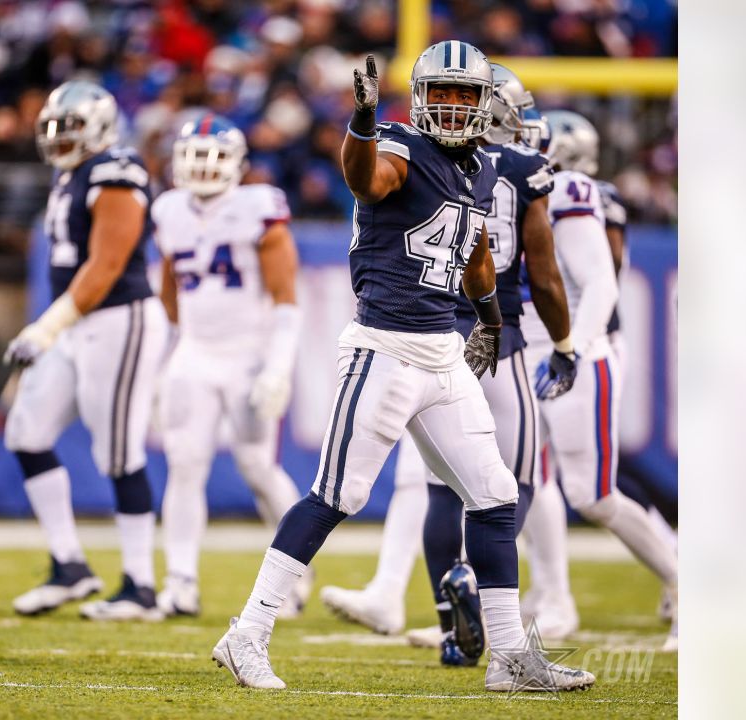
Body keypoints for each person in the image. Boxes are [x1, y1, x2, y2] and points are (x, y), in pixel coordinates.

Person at [211, 44, 594, 693]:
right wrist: (360, 119)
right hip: (384, 347)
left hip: (443, 350)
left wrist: (491, 321)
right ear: (418, 98)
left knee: (497, 496)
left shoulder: (478, 167)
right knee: (339, 495)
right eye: (438, 92)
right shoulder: (396, 145)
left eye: (461, 94)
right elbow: (366, 178)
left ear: (482, 104)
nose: (448, 105)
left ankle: (509, 660)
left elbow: (473, 250)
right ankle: (247, 632)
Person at [318, 65, 577, 666]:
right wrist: (561, 343)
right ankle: (487, 595)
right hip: (492, 334)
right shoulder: (502, 165)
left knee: (437, 488)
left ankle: (451, 629)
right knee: (510, 484)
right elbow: (539, 272)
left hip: (440, 325)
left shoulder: (448, 159)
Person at [4, 81, 169, 621]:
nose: (58, 139)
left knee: (118, 453)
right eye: (51, 128)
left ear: (99, 126)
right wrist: (56, 328)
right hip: (75, 326)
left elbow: (107, 263)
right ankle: (70, 565)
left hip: (119, 320)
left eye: (68, 127)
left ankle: (141, 586)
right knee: (26, 434)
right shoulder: (71, 176)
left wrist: (46, 326)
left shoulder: (115, 169)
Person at [522, 109, 679, 652]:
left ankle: (684, 579)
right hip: (526, 349)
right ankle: (550, 596)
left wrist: (573, 349)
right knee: (520, 479)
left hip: (577, 349)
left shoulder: (570, 191)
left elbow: (601, 285)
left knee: (592, 494)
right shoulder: (492, 178)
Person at [152, 113, 310, 618]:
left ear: (239, 165)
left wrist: (277, 367)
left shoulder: (258, 207)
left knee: (258, 466)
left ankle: (294, 578)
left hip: (248, 355)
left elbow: (287, 298)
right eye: (193, 158)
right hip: (195, 353)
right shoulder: (168, 209)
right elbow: (171, 290)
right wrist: (173, 351)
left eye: (214, 158)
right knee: (184, 464)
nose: (202, 169)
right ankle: (180, 582)